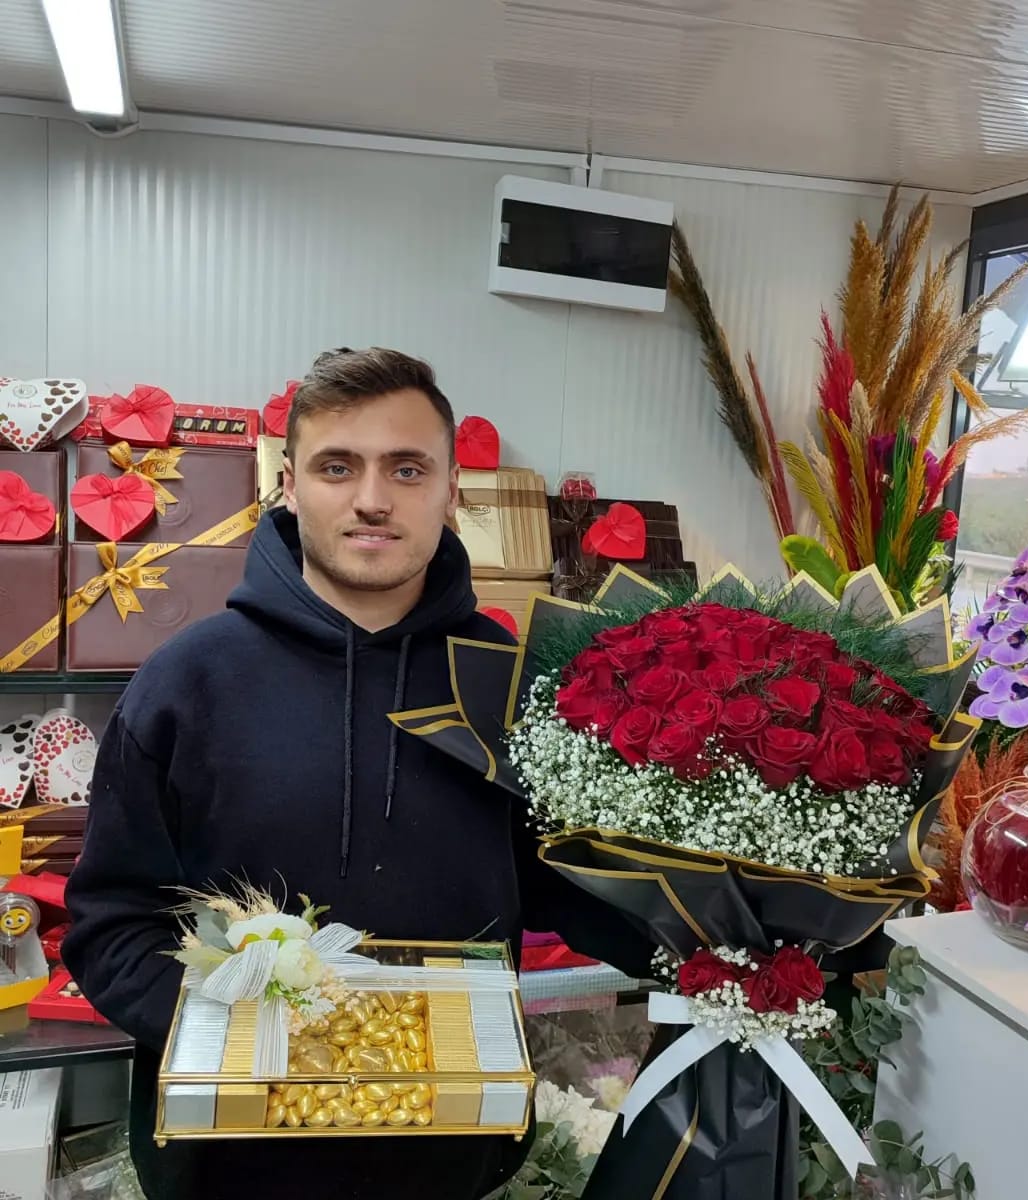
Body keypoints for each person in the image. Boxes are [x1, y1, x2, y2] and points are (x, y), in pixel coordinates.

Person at [64, 348, 647, 1200]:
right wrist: (257, 1038)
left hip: (451, 1163)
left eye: (407, 469)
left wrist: (724, 943)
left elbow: (566, 883)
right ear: (289, 487)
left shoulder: (511, 683)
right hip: (229, 1169)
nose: (373, 498)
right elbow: (111, 926)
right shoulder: (187, 683)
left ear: (452, 491)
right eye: (338, 467)